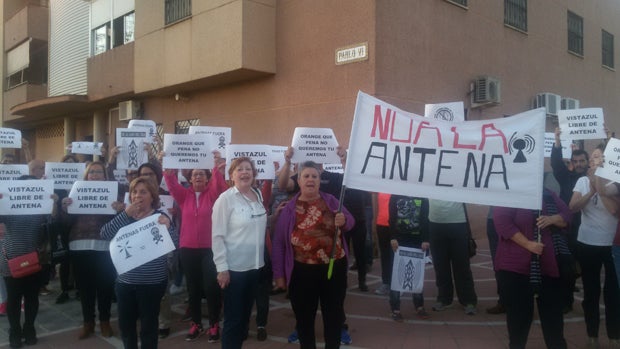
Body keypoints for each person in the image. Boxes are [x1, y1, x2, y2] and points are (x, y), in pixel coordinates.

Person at [272, 161, 355, 349]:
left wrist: (343, 221)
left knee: (333, 317)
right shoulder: (289, 209)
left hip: (333, 269)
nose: (310, 179)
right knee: (304, 319)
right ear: (299, 181)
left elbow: (351, 222)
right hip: (302, 272)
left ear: (319, 181)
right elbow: (278, 243)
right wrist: (279, 276)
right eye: (306, 176)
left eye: (314, 176)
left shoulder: (332, 200)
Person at [100, 177, 177, 349]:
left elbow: (175, 243)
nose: (138, 195)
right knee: (126, 327)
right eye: (134, 192)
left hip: (152, 283)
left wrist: (169, 227)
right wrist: (125, 214)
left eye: (143, 192)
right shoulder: (125, 217)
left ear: (152, 196)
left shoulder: (159, 217)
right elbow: (104, 233)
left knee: (149, 328)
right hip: (125, 283)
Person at [493, 188, 571, 349]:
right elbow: (502, 222)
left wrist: (553, 218)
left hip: (549, 264)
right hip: (515, 266)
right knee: (518, 318)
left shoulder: (548, 193)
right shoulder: (510, 192)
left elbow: (567, 215)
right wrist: (528, 244)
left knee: (553, 317)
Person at [163, 152, 228, 342]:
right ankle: (196, 323)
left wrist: (216, 167)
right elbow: (172, 185)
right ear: (190, 179)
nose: (198, 176)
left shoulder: (214, 195)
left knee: (211, 287)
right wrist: (168, 172)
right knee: (192, 288)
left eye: (202, 174)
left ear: (207, 178)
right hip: (188, 248)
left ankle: (214, 324)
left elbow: (219, 185)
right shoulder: (184, 196)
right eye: (194, 174)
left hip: (210, 248)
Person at [61, 161, 124, 339]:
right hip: (79, 246)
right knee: (85, 288)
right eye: (92, 172)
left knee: (105, 286)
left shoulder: (114, 193)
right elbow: (65, 224)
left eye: (99, 172)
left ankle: (104, 322)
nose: (95, 175)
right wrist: (65, 208)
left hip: (104, 246)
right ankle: (88, 322)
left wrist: (119, 210)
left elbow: (120, 222)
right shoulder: (75, 192)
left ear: (105, 176)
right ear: (86, 175)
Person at [212, 157, 267, 349]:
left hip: (255, 266)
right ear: (231, 175)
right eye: (239, 169)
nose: (245, 172)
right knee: (233, 320)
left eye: (248, 169)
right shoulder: (225, 200)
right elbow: (217, 236)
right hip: (234, 270)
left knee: (244, 318)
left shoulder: (257, 194)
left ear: (254, 173)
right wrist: (222, 269)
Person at [569, 145, 620, 348]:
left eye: (601, 158)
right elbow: (572, 207)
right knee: (591, 292)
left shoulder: (616, 182)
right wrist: (591, 191)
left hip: (612, 245)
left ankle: (614, 337)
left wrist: (599, 184)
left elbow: (614, 210)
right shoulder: (582, 181)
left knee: (613, 293)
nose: (597, 161)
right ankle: (592, 335)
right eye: (595, 158)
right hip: (587, 243)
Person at [0, 175, 58, 348]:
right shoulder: (8, 209)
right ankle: (15, 331)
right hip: (10, 259)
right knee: (13, 299)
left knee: (32, 297)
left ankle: (29, 329)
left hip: (35, 259)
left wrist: (53, 201)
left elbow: (53, 220)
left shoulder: (40, 209)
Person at [550, 127, 588, 312]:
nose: (579, 164)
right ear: (571, 163)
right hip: (569, 230)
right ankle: (566, 303)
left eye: (582, 161)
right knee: (566, 268)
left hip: (589, 232)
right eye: (576, 161)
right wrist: (557, 141)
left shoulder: (594, 179)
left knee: (588, 269)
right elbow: (556, 164)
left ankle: (590, 303)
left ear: (588, 162)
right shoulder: (567, 178)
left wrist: (607, 139)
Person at [428, 200, 478, 315]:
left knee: (462, 265)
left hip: (458, 222)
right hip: (435, 222)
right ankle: (443, 298)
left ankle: (468, 300)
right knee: (440, 265)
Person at [387, 194, 430, 321]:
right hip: (399, 241)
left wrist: (425, 239)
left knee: (417, 273)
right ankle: (395, 308)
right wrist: (392, 237)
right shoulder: (395, 195)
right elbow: (392, 217)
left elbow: (425, 218)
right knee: (396, 274)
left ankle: (419, 305)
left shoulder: (422, 196)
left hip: (417, 241)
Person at [373, 192, 392, 295]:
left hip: (396, 225)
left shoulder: (400, 185)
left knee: (396, 255)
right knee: (385, 256)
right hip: (381, 224)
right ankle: (386, 282)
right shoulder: (380, 185)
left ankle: (397, 284)